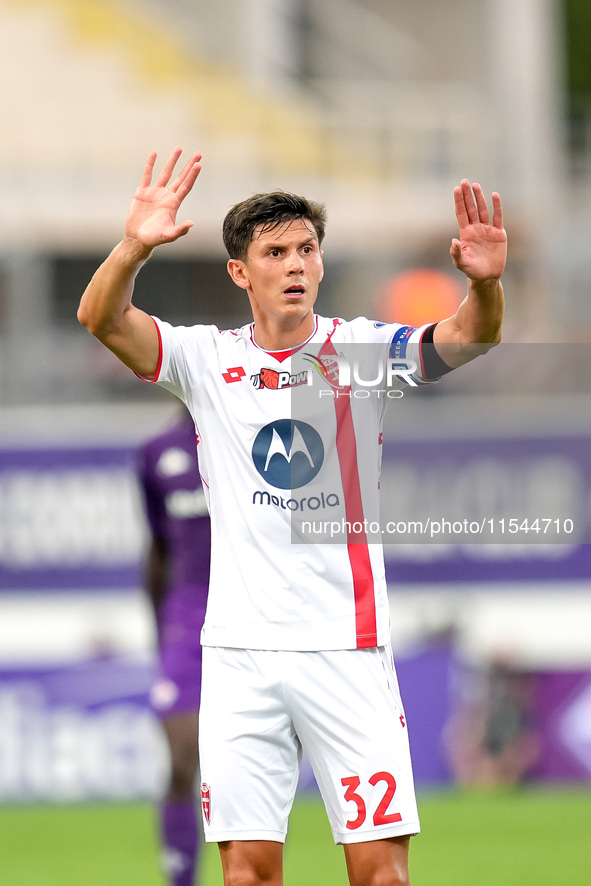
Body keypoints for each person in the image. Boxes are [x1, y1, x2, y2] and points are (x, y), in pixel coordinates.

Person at [78, 148, 506, 886]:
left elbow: (470, 337)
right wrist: (136, 245)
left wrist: (486, 286)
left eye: (306, 248)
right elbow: (101, 317)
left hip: (346, 647)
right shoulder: (205, 361)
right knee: (247, 872)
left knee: (380, 874)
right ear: (241, 272)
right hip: (240, 656)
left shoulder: (361, 350)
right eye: (274, 252)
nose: (296, 264)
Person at [137, 407, 210, 886]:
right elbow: (157, 547)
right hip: (185, 620)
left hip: (252, 612)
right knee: (183, 757)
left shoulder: (260, 437)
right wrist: (158, 634)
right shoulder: (155, 453)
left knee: (248, 773)